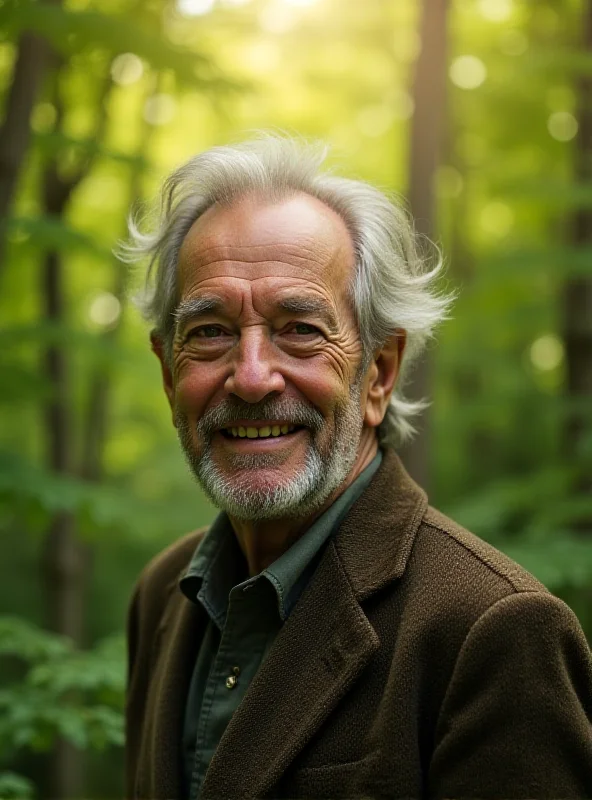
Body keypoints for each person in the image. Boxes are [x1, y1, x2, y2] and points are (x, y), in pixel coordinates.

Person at [123, 135, 592, 800]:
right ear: (170, 375)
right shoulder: (161, 595)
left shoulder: (494, 631)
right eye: (210, 332)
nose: (252, 377)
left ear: (379, 373)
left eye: (300, 329)